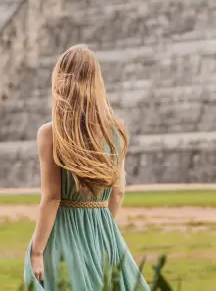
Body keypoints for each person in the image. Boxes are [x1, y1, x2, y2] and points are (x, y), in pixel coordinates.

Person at [23, 44, 149, 291]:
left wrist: (37, 251)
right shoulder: (115, 131)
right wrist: (99, 225)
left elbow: (52, 197)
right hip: (104, 231)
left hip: (62, 234)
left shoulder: (50, 133)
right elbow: (119, 192)